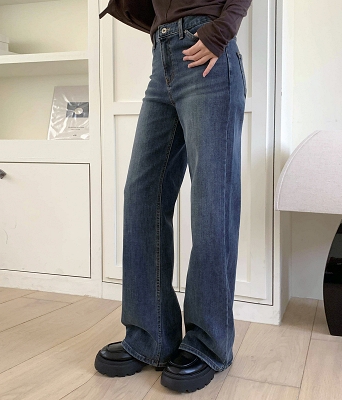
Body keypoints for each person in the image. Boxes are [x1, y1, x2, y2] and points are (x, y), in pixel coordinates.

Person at [95, 0, 252, 393]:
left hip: (208, 55)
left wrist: (221, 30)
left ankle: (208, 342)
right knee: (142, 195)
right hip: (162, 54)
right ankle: (151, 336)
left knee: (212, 203)